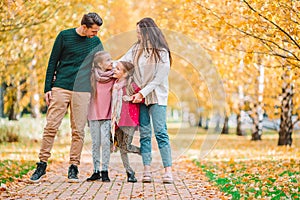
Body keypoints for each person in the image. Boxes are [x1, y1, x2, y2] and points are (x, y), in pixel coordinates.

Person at [30, 13, 104, 183]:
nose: (96, 34)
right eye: (93, 31)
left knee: (78, 130)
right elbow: (52, 62)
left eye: (98, 31)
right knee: (51, 126)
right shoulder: (64, 36)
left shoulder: (95, 42)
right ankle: (41, 165)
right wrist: (47, 87)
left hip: (83, 90)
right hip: (61, 86)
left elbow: (103, 62)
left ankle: (73, 167)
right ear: (84, 27)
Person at [120, 17, 173, 184]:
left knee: (160, 132)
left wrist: (142, 93)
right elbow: (121, 62)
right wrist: (101, 65)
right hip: (139, 98)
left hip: (156, 97)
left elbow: (158, 79)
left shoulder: (162, 52)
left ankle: (168, 171)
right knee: (144, 134)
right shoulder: (136, 49)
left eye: (139, 33)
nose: (138, 36)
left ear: (148, 32)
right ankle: (147, 170)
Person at [86, 51, 115, 182]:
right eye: (108, 60)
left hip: (107, 115)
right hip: (93, 114)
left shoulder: (114, 76)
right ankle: (96, 170)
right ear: (99, 64)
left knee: (105, 142)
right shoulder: (91, 76)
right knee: (95, 143)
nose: (111, 62)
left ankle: (105, 170)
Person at [111, 61, 141, 183]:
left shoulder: (131, 86)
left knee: (126, 146)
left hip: (129, 120)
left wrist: (131, 98)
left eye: (118, 69)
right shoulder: (114, 85)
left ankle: (143, 151)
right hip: (117, 120)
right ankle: (129, 172)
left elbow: (142, 96)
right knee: (121, 148)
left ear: (125, 73)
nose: (115, 70)